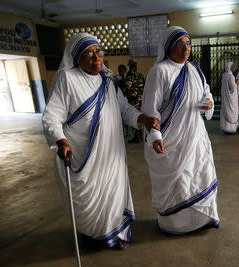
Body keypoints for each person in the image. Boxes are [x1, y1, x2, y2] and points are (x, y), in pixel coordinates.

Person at [42, 33, 159, 249]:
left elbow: (124, 108)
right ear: (77, 56)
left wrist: (143, 118)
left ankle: (117, 231)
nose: (97, 57)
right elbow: (51, 116)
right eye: (89, 53)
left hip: (111, 153)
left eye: (99, 52)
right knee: (91, 202)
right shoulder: (67, 79)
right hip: (84, 155)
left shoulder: (108, 81)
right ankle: (95, 234)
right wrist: (61, 141)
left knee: (113, 193)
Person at [142, 26, 219, 234]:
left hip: (196, 136)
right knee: (180, 183)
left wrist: (208, 103)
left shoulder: (194, 69)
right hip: (171, 141)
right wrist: (155, 135)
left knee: (199, 175)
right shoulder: (159, 72)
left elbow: (206, 91)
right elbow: (150, 109)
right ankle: (177, 225)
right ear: (168, 47)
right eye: (179, 44)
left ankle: (201, 220)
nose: (185, 48)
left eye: (188, 43)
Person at [125, 59, 145, 143]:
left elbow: (128, 87)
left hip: (133, 100)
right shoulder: (140, 75)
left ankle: (136, 137)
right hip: (140, 99)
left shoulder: (130, 75)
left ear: (129, 65)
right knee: (140, 117)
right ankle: (140, 136)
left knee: (134, 117)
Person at [220, 62, 239, 134]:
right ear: (231, 68)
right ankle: (231, 130)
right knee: (231, 111)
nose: (235, 68)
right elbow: (233, 87)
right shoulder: (231, 76)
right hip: (231, 99)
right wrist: (236, 82)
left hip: (226, 98)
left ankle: (226, 128)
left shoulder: (224, 76)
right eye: (234, 67)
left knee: (226, 110)